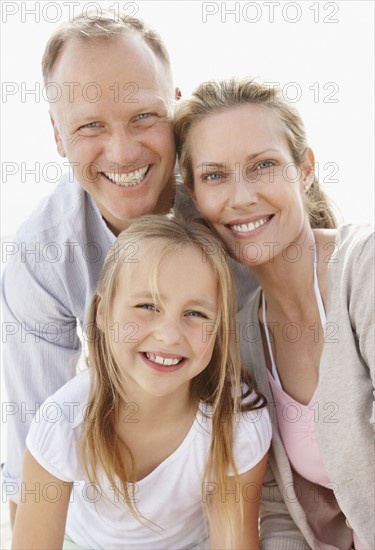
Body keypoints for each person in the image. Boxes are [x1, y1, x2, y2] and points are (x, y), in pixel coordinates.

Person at [1, 12, 258, 525]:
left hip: (248, 479)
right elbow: (32, 461)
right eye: (91, 125)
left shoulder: (236, 204)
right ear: (57, 136)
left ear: (175, 108)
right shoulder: (43, 255)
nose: (122, 152)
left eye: (143, 117)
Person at [173, 78, 374, 549]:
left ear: (304, 170)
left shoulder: (363, 270)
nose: (241, 197)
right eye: (215, 175)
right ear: (196, 199)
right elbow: (284, 512)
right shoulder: (242, 339)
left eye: (262, 166)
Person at [11, 214, 271, 549]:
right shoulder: (62, 424)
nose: (168, 335)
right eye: (147, 305)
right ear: (103, 313)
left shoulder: (237, 423)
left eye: (196, 314)